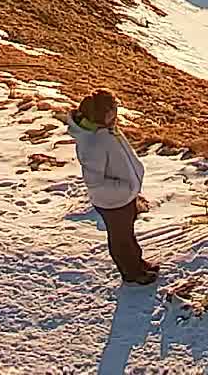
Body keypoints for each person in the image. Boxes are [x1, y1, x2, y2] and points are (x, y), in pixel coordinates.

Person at [68, 88, 157, 284]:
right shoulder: (93, 142)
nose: (116, 113)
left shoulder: (106, 130)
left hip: (123, 197)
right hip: (113, 201)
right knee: (121, 240)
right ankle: (132, 274)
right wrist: (125, 189)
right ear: (101, 114)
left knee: (127, 234)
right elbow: (95, 183)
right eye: (112, 110)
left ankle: (138, 264)